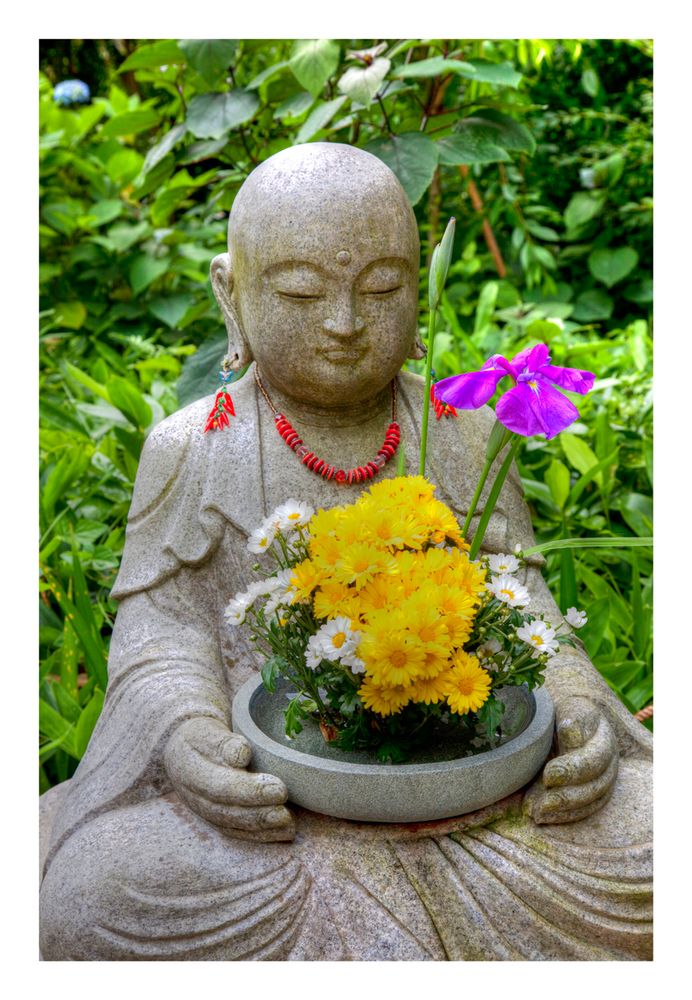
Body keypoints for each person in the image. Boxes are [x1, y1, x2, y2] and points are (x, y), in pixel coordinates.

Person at [39, 143, 652, 961]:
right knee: (96, 895)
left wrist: (574, 709)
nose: (344, 323)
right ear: (233, 295)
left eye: (383, 289)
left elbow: (521, 602)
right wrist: (188, 736)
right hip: (276, 825)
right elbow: (164, 632)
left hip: (474, 785)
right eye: (299, 292)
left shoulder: (458, 430)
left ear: (417, 292)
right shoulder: (194, 447)